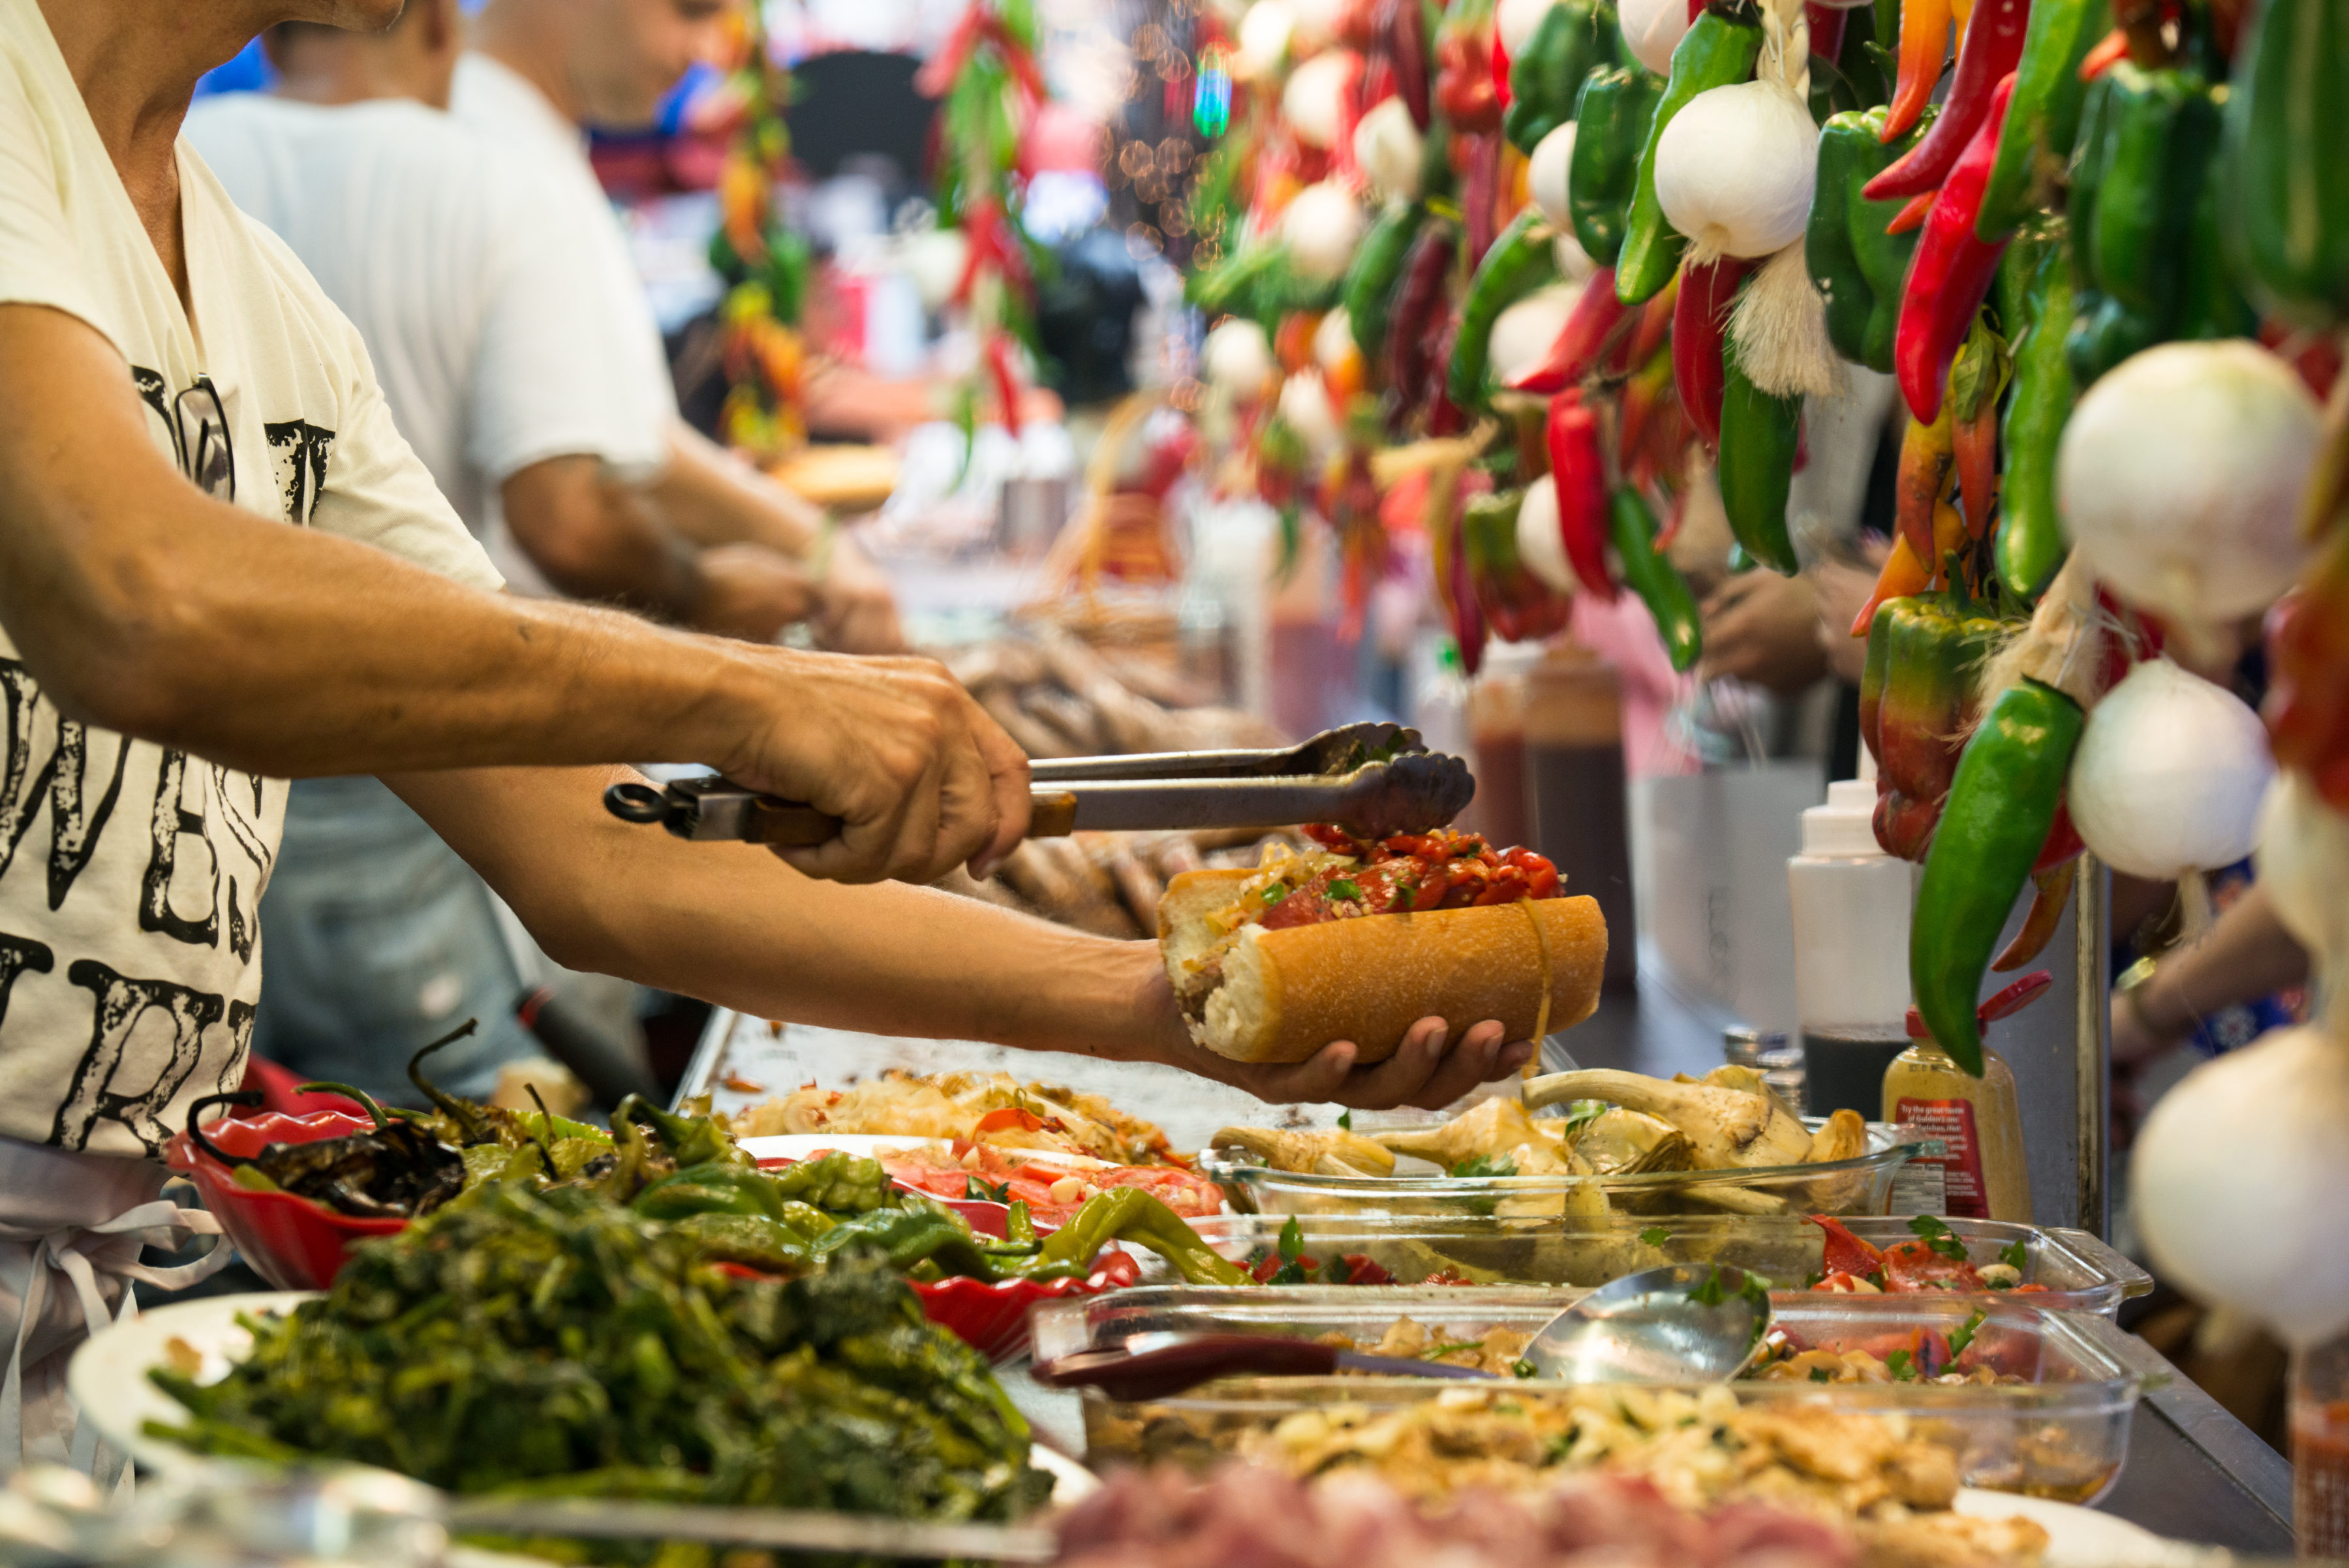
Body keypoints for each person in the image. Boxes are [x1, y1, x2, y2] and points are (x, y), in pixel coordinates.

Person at [0, 0, 1526, 1474]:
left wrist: (1162, 1004)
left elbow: (604, 849)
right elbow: (140, 600)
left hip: (86, 1295)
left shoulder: (263, 300)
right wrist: (738, 690)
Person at [183, 0, 906, 1103]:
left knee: (245, 1162)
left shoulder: (185, 167)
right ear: (429, 27)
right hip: (426, 790)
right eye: (690, 9)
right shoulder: (484, 178)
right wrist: (714, 607)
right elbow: (564, 506)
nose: (696, 49)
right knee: (483, 1157)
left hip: (200, 787)